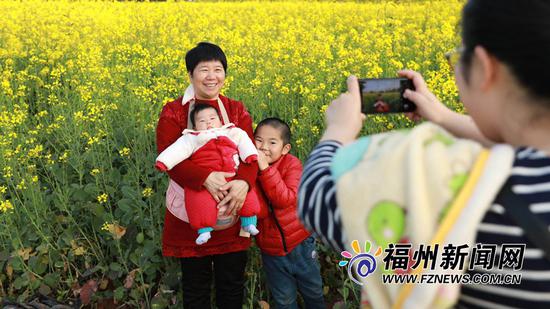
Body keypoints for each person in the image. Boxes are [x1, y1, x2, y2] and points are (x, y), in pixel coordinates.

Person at [298, 1, 550, 308]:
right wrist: (443, 116)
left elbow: (314, 200)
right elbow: (517, 143)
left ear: (485, 68)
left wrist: (338, 129)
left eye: (458, 57)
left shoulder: (459, 195)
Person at [156, 42, 258, 308]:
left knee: (232, 285)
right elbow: (168, 157)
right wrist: (204, 177)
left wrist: (244, 184)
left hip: (234, 209)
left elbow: (250, 154)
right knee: (196, 288)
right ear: (190, 74)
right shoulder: (174, 111)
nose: (212, 76)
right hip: (190, 215)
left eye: (218, 69)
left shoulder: (235, 109)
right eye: (204, 70)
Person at [155, 103, 260, 245]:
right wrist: (163, 162)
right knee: (198, 201)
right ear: (194, 127)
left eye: (212, 118)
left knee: (248, 195)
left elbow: (245, 142)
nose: (208, 123)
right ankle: (204, 230)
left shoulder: (232, 131)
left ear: (221, 121)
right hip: (204, 178)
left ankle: (249, 223)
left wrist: (250, 155)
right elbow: (176, 151)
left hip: (232, 174)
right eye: (202, 121)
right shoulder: (192, 138)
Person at [253, 118, 325, 309]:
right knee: (284, 299)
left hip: (300, 243)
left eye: (272, 142)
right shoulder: (249, 168)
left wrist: (265, 169)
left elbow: (285, 199)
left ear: (285, 148)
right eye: (258, 140)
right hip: (272, 250)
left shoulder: (292, 165)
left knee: (314, 291)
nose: (263, 147)